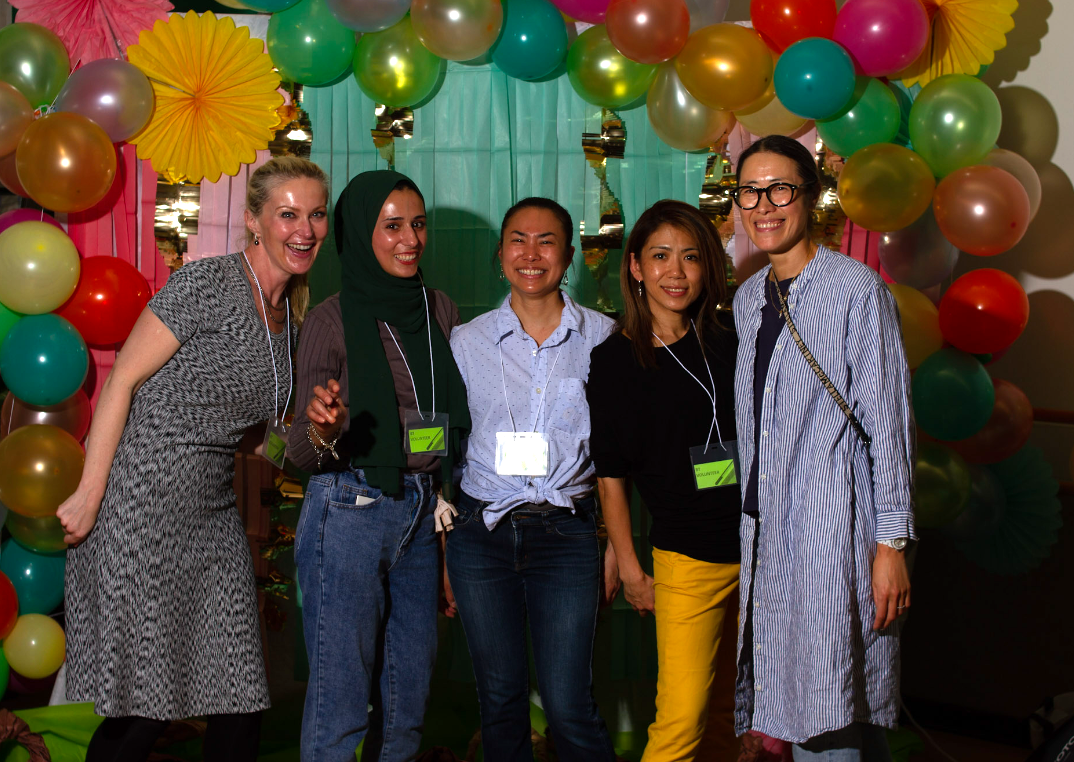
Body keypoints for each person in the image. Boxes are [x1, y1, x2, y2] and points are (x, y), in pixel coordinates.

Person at [58, 156, 330, 762]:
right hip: (142, 502)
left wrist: (318, 443)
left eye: (315, 215)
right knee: (146, 708)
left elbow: (253, 437)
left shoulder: (289, 318)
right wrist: (90, 492)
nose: (304, 230)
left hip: (210, 515)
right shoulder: (207, 283)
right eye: (288, 214)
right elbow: (121, 382)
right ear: (255, 221)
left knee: (238, 696)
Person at [730, 134, 915, 760]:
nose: (764, 205)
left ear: (808, 196)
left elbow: (889, 427)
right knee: (791, 695)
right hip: (766, 529)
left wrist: (890, 545)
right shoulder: (749, 298)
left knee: (837, 698)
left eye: (780, 188)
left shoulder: (857, 290)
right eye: (750, 191)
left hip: (838, 528)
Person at [287, 170, 470, 762]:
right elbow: (296, 453)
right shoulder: (331, 320)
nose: (409, 239)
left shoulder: (440, 308)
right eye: (391, 226)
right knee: (341, 701)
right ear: (360, 233)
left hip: (420, 508)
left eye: (417, 224)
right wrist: (321, 427)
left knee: (408, 692)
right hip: (350, 506)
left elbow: (453, 414)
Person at [446, 198, 618, 762]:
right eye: (518, 239)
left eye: (547, 241)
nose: (531, 253)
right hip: (481, 532)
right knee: (500, 699)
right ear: (500, 255)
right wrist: (447, 547)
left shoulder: (605, 339)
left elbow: (623, 456)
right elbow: (448, 450)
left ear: (568, 255)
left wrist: (618, 546)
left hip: (567, 535)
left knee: (569, 703)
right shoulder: (467, 342)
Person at [587, 200, 741, 762]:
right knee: (680, 720)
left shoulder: (728, 337)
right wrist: (628, 565)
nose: (676, 272)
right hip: (688, 559)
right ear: (634, 267)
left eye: (691, 257)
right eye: (660, 256)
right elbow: (611, 477)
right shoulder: (615, 362)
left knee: (728, 709)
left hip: (757, 547)